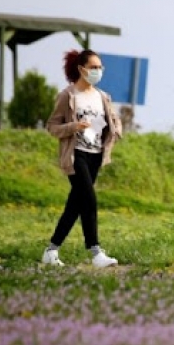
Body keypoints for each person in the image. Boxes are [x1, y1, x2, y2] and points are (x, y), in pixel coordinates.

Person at [41, 49, 122, 268]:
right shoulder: (68, 95)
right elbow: (52, 126)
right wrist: (73, 127)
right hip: (76, 155)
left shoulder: (102, 96)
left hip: (96, 155)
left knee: (75, 205)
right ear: (81, 69)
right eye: (94, 67)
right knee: (89, 199)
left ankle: (51, 250)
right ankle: (96, 252)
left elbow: (113, 119)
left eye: (100, 67)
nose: (98, 71)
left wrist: (116, 130)